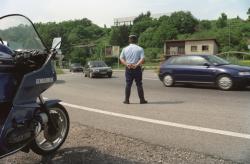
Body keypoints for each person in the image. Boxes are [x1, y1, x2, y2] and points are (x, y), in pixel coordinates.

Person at [120, 34, 147, 104]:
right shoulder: (140, 48)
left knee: (128, 84)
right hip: (137, 68)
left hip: (128, 68)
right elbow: (142, 59)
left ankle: (126, 100)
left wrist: (127, 64)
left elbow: (121, 58)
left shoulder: (125, 49)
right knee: (139, 84)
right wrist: (136, 65)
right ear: (136, 40)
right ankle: (142, 100)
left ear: (129, 40)